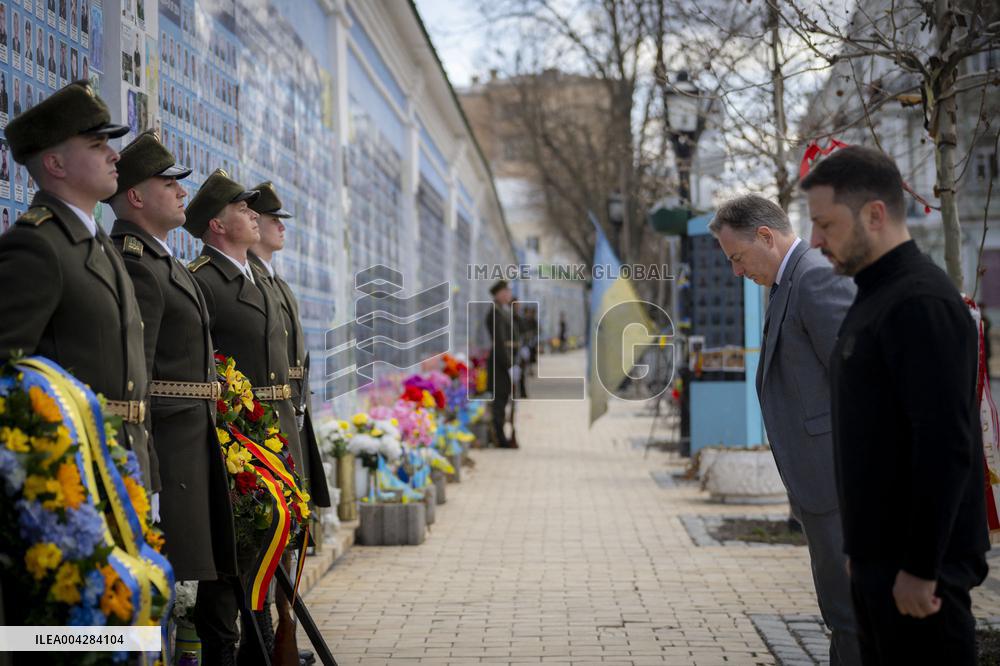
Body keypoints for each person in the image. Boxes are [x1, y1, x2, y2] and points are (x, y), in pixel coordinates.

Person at [803, 145, 989, 665]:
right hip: (880, 568)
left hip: (920, 586)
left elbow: (944, 446)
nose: (816, 240)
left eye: (826, 224)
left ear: (875, 214)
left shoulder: (921, 302)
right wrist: (861, 552)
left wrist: (921, 567)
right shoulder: (874, 293)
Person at [710, 194, 860, 665]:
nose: (737, 271)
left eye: (738, 257)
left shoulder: (813, 278)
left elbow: (862, 384)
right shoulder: (789, 280)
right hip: (822, 482)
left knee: (851, 612)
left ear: (766, 237)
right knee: (842, 611)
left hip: (841, 482)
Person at [0, 81, 157, 495]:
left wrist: (148, 471)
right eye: (96, 145)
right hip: (71, 476)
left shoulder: (99, 242)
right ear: (55, 163)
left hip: (122, 465)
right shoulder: (37, 244)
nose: (114, 154)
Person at [106, 133, 237, 628]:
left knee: (200, 583)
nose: (183, 192)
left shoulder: (162, 261)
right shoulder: (137, 263)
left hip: (191, 440)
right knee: (170, 592)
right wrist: (150, 467)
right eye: (169, 183)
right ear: (136, 196)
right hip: (168, 445)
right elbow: (135, 377)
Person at [184, 169, 297, 665]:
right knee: (232, 562)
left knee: (263, 556)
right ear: (216, 224)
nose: (254, 214)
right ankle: (226, 652)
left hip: (271, 434)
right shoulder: (204, 281)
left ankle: (262, 647)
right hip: (236, 442)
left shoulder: (257, 278)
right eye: (242, 208)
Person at [248, 180, 331, 666]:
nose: (281, 227)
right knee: (270, 543)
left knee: (290, 540)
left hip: (290, 427)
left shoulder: (276, 283)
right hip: (265, 432)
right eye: (274, 219)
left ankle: (285, 630)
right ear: (252, 223)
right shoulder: (252, 281)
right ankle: (271, 636)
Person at [485, 280, 517, 448]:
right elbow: (500, 342)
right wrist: (510, 364)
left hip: (503, 362)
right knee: (499, 400)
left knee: (503, 399)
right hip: (500, 364)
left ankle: (499, 435)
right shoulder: (496, 313)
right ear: (498, 294)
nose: (508, 294)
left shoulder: (503, 311)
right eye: (506, 291)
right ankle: (499, 437)